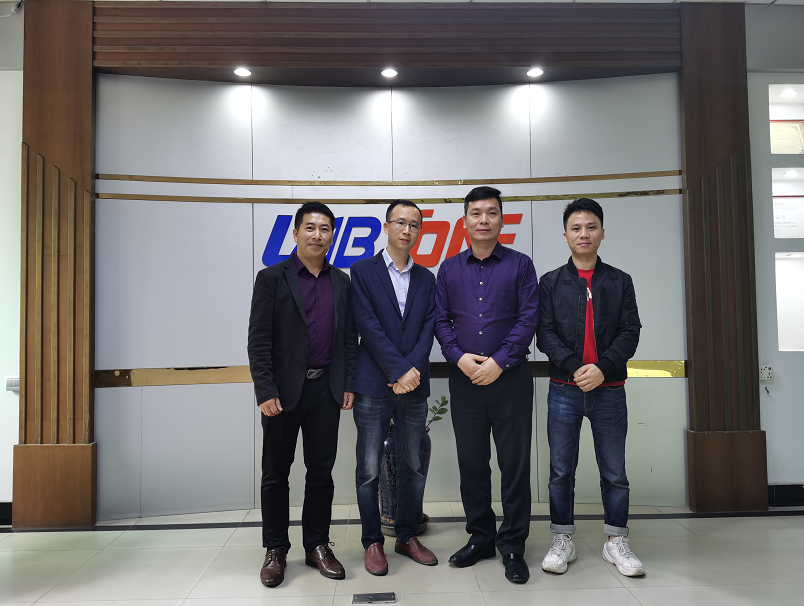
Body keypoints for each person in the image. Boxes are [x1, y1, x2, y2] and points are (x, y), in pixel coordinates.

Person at [247, 201, 359, 588]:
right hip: (282, 393)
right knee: (276, 474)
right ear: (295, 233)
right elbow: (258, 340)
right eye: (310, 228)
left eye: (325, 229)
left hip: (325, 389)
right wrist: (265, 389)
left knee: (321, 473)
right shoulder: (271, 278)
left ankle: (317, 546)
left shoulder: (341, 281)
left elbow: (348, 338)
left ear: (332, 236)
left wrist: (347, 382)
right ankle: (275, 549)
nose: (317, 235)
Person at [434, 186, 539, 584]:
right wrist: (458, 357)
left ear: (501, 219)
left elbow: (528, 318)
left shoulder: (521, 265)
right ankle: (480, 538)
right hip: (464, 380)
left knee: (514, 465)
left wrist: (499, 361)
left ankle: (512, 545)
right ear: (465, 221)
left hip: (510, 379)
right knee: (472, 464)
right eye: (476, 213)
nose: (483, 220)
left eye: (491, 212)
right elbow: (441, 320)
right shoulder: (449, 269)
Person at [536, 198, 645, 577]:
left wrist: (602, 369)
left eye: (591, 227)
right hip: (564, 389)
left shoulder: (619, 280)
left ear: (602, 232)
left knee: (614, 472)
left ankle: (616, 541)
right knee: (560, 471)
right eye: (576, 228)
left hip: (609, 389)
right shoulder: (550, 282)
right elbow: (544, 334)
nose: (584, 234)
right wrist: (576, 368)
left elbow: (631, 331)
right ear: (565, 235)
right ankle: (561, 539)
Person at [350, 200, 438, 576]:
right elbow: (367, 325)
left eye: (414, 224)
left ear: (419, 231)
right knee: (369, 468)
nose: (407, 230)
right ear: (386, 227)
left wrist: (411, 372)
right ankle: (373, 541)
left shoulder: (427, 278)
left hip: (414, 386)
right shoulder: (362, 271)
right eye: (400, 222)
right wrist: (399, 370)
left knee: (413, 466)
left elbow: (428, 329)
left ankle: (406, 535)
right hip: (374, 384)